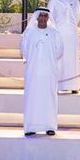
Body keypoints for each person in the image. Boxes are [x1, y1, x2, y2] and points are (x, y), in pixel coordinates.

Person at [21, 7, 63, 136]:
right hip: (33, 71)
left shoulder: (54, 33)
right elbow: (24, 50)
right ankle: (30, 127)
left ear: (48, 18)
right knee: (32, 97)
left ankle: (49, 126)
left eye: (46, 16)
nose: (43, 18)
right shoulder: (29, 33)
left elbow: (59, 51)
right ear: (37, 17)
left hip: (49, 71)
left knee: (48, 97)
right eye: (41, 16)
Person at [48, 0, 80, 93]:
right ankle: (58, 86)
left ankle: (73, 86)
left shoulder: (75, 0)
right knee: (60, 59)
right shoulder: (54, 0)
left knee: (71, 59)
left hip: (72, 34)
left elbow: (77, 17)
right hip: (59, 33)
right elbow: (50, 16)